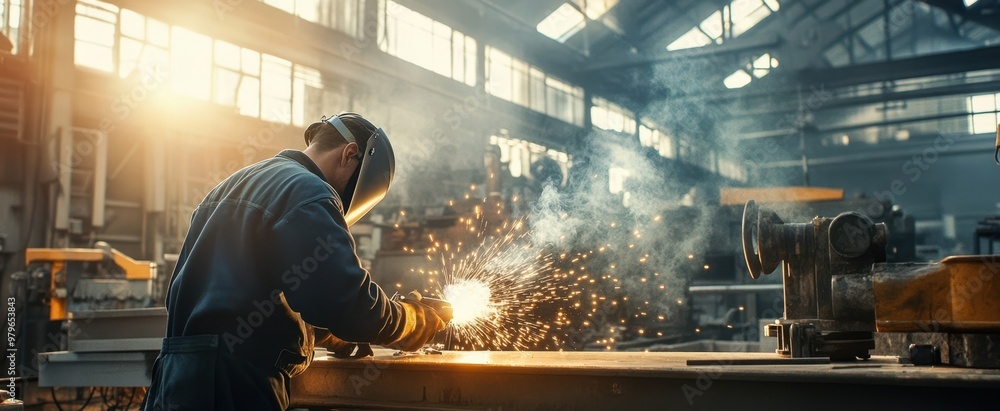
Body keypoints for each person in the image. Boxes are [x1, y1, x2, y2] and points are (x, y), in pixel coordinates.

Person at [143, 112, 449, 410]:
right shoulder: (309, 192)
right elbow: (345, 302)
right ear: (350, 154)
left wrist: (323, 333)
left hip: (174, 377)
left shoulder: (230, 186)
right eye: (353, 192)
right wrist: (411, 320)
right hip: (235, 386)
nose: (343, 203)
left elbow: (255, 292)